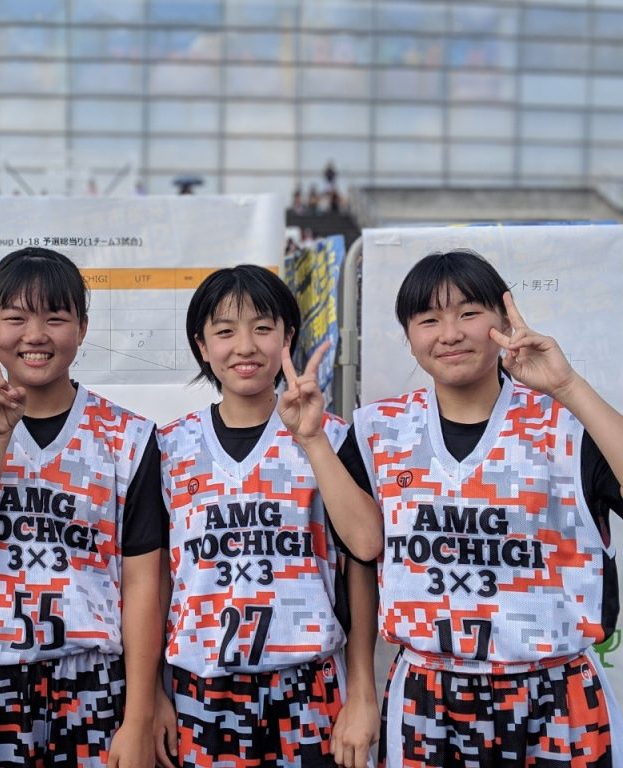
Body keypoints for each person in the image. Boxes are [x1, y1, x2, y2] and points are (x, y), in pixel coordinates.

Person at [344, 249, 623, 767]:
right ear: (408, 334)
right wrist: (360, 688)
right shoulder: (378, 432)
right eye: (429, 319)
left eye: (469, 313)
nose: (450, 334)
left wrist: (568, 387)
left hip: (556, 695)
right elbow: (359, 555)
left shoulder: (567, 423)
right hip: (428, 698)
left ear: (504, 320)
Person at [0, 247, 164, 767]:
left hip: (92, 679)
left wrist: (139, 715)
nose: (35, 335)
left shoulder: (129, 437)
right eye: (15, 318)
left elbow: (143, 583)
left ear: (82, 327)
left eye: (55, 318)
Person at [154, 265, 382, 768]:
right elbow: (155, 579)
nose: (245, 347)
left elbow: (364, 554)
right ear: (202, 345)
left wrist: (363, 692)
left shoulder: (332, 437)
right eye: (225, 331)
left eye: (262, 328)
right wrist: (152, 693)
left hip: (309, 685)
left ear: (287, 338)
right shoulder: (170, 447)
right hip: (201, 689)